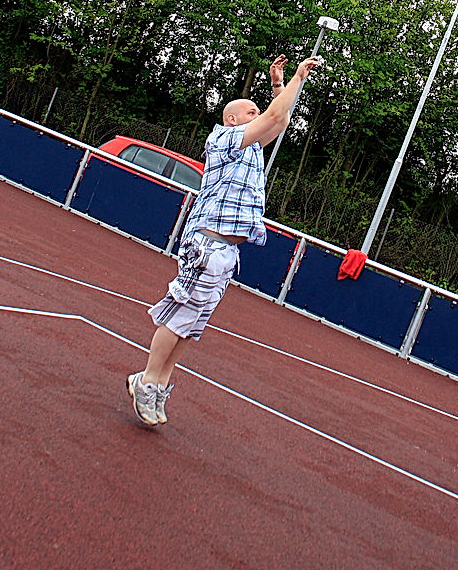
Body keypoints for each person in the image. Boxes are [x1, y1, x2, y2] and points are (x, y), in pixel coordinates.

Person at [127, 54, 320, 426]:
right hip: (206, 242)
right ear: (232, 119)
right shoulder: (224, 139)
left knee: (194, 322)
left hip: (226, 251)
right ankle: (147, 378)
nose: (257, 114)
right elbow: (275, 119)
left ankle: (160, 383)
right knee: (181, 312)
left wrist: (281, 86)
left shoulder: (252, 149)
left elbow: (277, 123)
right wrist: (297, 77)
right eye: (251, 111)